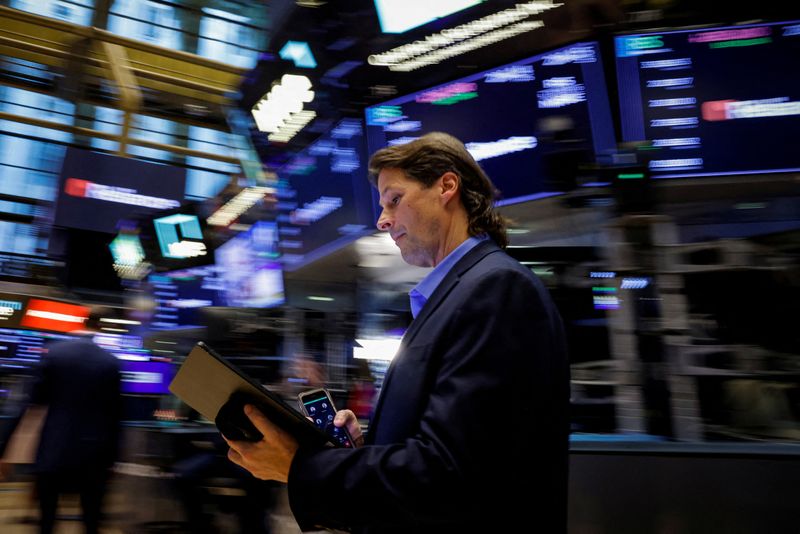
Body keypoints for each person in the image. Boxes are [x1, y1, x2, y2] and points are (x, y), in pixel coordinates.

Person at [226, 132, 570, 533]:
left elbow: (446, 475)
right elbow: (449, 447)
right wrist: (363, 449)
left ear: (446, 186)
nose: (382, 219)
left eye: (394, 199)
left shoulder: (495, 290)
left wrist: (302, 467)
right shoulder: (458, 293)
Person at [0, 306, 123, 534]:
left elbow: (24, 406)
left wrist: (3, 449)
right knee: (91, 523)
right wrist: (114, 459)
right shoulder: (111, 364)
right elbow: (116, 418)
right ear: (101, 327)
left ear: (83, 322)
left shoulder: (54, 354)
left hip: (53, 453)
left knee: (47, 523)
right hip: (93, 459)